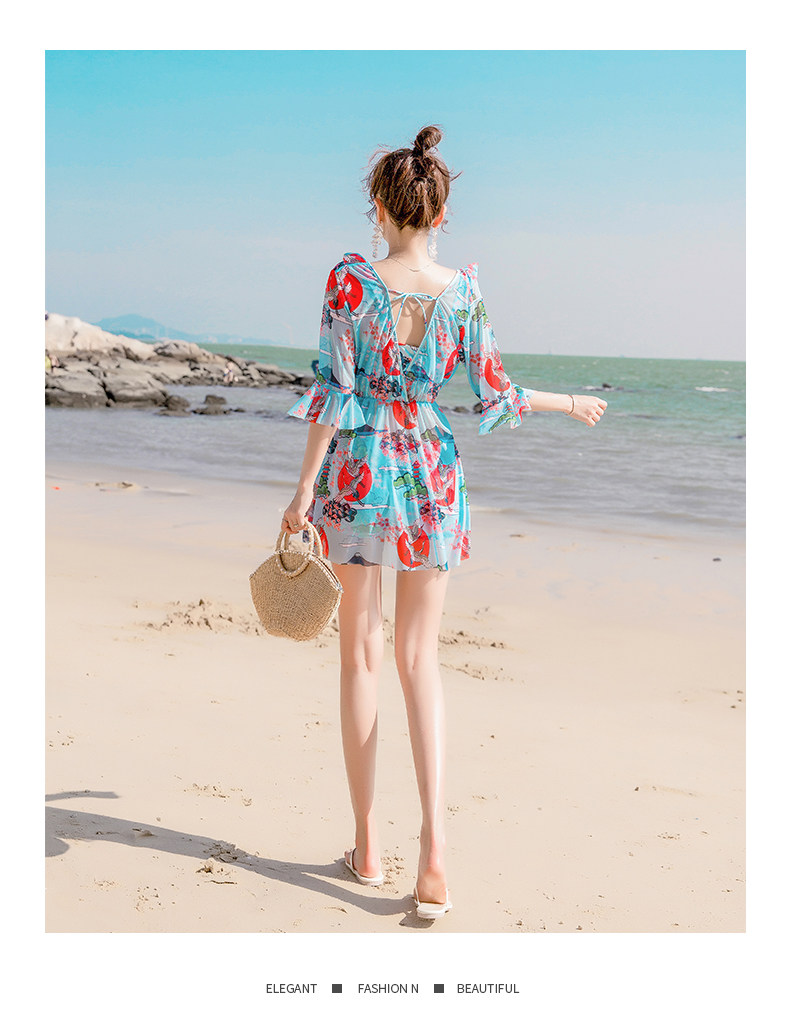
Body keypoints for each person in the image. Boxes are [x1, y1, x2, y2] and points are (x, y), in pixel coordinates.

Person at [281, 125, 607, 920]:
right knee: (419, 657)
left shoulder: (349, 281)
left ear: (379, 207)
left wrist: (301, 493)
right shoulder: (464, 293)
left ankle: (367, 846)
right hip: (432, 471)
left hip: (359, 470)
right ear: (440, 213)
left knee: (360, 654)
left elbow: (334, 391)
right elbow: (495, 391)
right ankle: (434, 851)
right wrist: (567, 401)